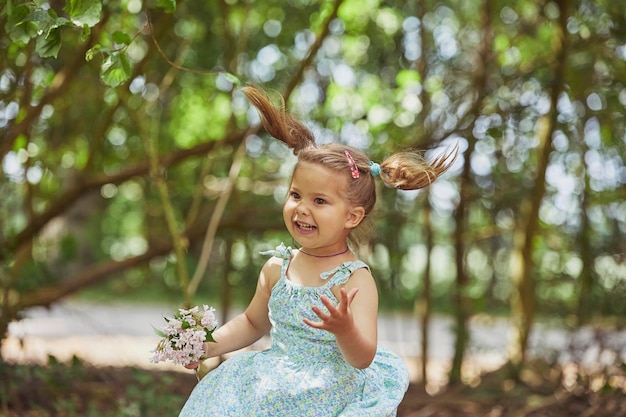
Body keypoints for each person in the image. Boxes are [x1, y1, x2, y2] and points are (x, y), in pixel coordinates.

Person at [177, 85, 457, 417]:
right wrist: (206, 345)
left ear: (352, 216)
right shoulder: (277, 267)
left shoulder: (355, 280)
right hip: (271, 387)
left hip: (327, 396)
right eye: (295, 195)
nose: (301, 209)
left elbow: (362, 357)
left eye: (319, 201)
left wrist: (345, 329)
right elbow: (252, 322)